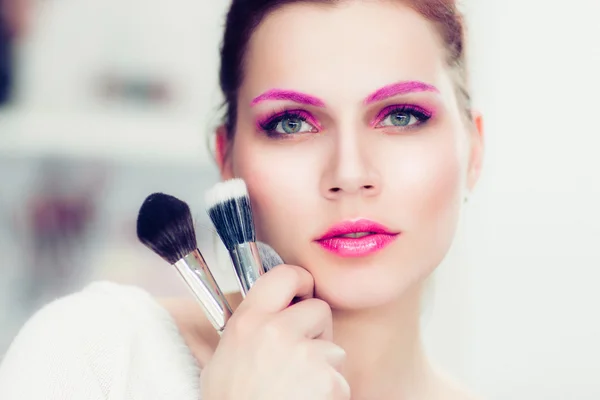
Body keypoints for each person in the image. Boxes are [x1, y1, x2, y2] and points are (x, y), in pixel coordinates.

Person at [0, 0, 484, 399]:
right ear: (227, 160)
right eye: (291, 123)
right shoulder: (94, 356)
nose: (350, 174)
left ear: (475, 150)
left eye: (401, 116)